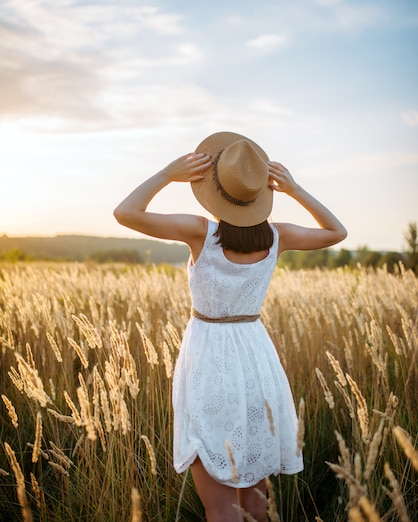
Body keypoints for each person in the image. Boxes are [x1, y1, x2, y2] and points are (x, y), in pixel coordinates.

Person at [114, 131, 347, 522]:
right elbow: (336, 232)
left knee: (221, 508)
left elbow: (126, 212)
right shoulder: (278, 237)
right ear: (260, 194)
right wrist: (295, 189)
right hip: (257, 359)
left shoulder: (199, 232)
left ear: (216, 192)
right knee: (256, 506)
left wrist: (168, 174)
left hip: (207, 360)